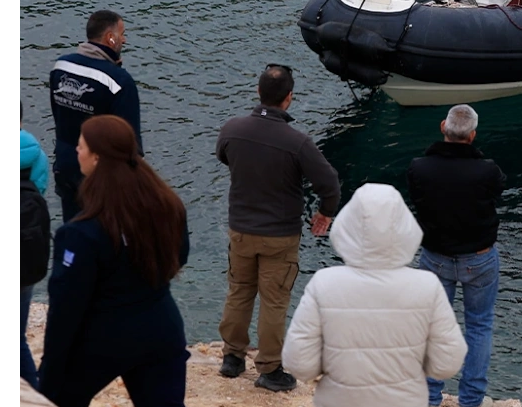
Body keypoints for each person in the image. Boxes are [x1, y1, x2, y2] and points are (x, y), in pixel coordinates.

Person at [38, 115, 190, 407]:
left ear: (96, 158)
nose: (76, 151)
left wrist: (49, 373)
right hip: (160, 325)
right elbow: (178, 257)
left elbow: (65, 308)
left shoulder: (80, 233)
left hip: (101, 338)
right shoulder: (168, 205)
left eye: (81, 146)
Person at [282, 183, 468, 406]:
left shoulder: (324, 283)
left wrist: (333, 366)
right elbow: (447, 363)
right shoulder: (427, 286)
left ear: (348, 226)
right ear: (405, 227)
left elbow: (299, 362)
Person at [216, 63, 342, 392]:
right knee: (274, 301)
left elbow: (224, 157)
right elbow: (330, 184)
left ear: (258, 92)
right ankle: (270, 368)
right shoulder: (297, 142)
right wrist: (325, 213)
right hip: (279, 235)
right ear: (289, 98)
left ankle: (232, 357)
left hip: (240, 229)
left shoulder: (232, 129)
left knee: (239, 291)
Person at [406, 104, 507, 407]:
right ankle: (471, 400)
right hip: (480, 258)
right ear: (472, 135)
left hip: (436, 257)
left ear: (443, 127)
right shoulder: (488, 170)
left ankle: (430, 397)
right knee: (479, 326)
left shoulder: (419, 167)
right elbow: (498, 192)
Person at [50, 9, 142, 222]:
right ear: (110, 38)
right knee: (104, 234)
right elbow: (130, 144)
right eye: (122, 34)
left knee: (72, 229)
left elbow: (58, 116)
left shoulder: (61, 67)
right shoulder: (119, 81)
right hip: (101, 176)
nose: (124, 40)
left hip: (65, 164)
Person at [15, 101, 51, 389]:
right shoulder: (36, 152)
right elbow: (40, 190)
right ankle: (35, 397)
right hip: (25, 257)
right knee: (16, 341)